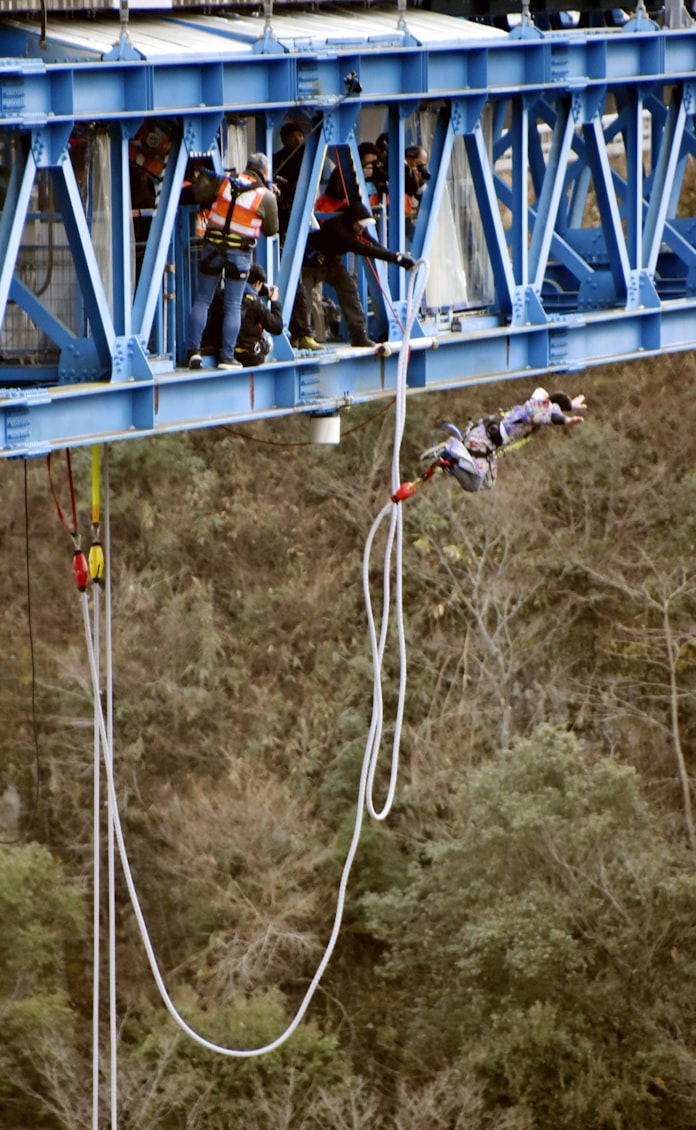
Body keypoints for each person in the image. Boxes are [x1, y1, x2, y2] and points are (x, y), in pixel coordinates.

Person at [185, 153, 279, 370]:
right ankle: (227, 357)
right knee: (233, 305)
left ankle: (194, 352)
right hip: (239, 253)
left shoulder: (224, 181)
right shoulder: (265, 196)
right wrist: (271, 199)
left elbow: (201, 195)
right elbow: (271, 229)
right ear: (264, 173)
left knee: (202, 299)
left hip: (212, 247)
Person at [290, 201, 415, 350]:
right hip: (308, 264)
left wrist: (396, 256)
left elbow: (372, 243)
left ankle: (359, 335)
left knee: (348, 288)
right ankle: (302, 337)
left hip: (329, 263)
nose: (362, 229)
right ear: (353, 221)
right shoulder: (340, 231)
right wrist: (397, 259)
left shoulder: (356, 227)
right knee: (304, 300)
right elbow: (367, 250)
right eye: (360, 225)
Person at [423, 387, 587, 492]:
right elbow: (551, 415)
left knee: (488, 483)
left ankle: (451, 460)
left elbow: (551, 411)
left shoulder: (532, 410)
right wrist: (567, 420)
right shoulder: (530, 411)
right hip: (482, 440)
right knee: (473, 485)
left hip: (487, 442)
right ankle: (448, 458)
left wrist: (570, 406)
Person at [233, 264, 283, 367]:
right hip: (249, 356)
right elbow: (277, 327)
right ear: (257, 283)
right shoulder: (257, 305)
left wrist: (263, 290)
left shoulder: (230, 296)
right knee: (267, 341)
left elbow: (250, 290)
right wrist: (274, 302)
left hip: (230, 354)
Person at [273, 120, 306, 239]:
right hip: (283, 200)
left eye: (300, 135)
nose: (298, 139)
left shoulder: (308, 154)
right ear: (284, 141)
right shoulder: (278, 158)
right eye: (293, 136)